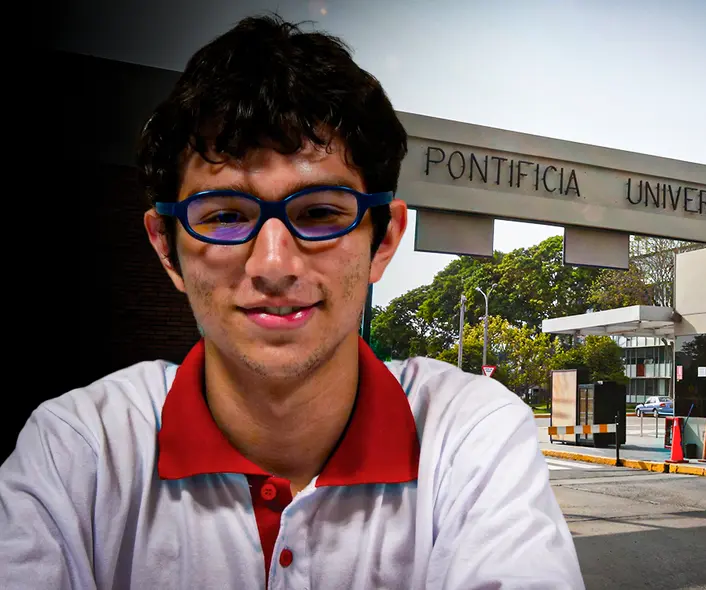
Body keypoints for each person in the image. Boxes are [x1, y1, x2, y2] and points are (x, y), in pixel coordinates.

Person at [0, 15, 584, 590]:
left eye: (320, 213)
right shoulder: (77, 452)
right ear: (166, 247)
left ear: (382, 240)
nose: (274, 265)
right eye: (226, 216)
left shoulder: (468, 434)